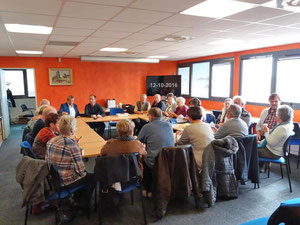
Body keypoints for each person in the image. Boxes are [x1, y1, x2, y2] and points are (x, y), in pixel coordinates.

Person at [46, 115, 96, 212]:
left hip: (52, 178)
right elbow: (81, 170)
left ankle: (77, 198)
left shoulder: (51, 140)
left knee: (84, 175)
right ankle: (84, 206)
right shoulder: (72, 145)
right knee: (91, 177)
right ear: (73, 131)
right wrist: (76, 149)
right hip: (65, 181)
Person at [138, 107, 174, 191]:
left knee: (140, 158)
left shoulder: (147, 127)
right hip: (170, 160)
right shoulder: (169, 125)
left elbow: (138, 142)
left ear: (151, 116)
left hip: (154, 161)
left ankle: (148, 188)